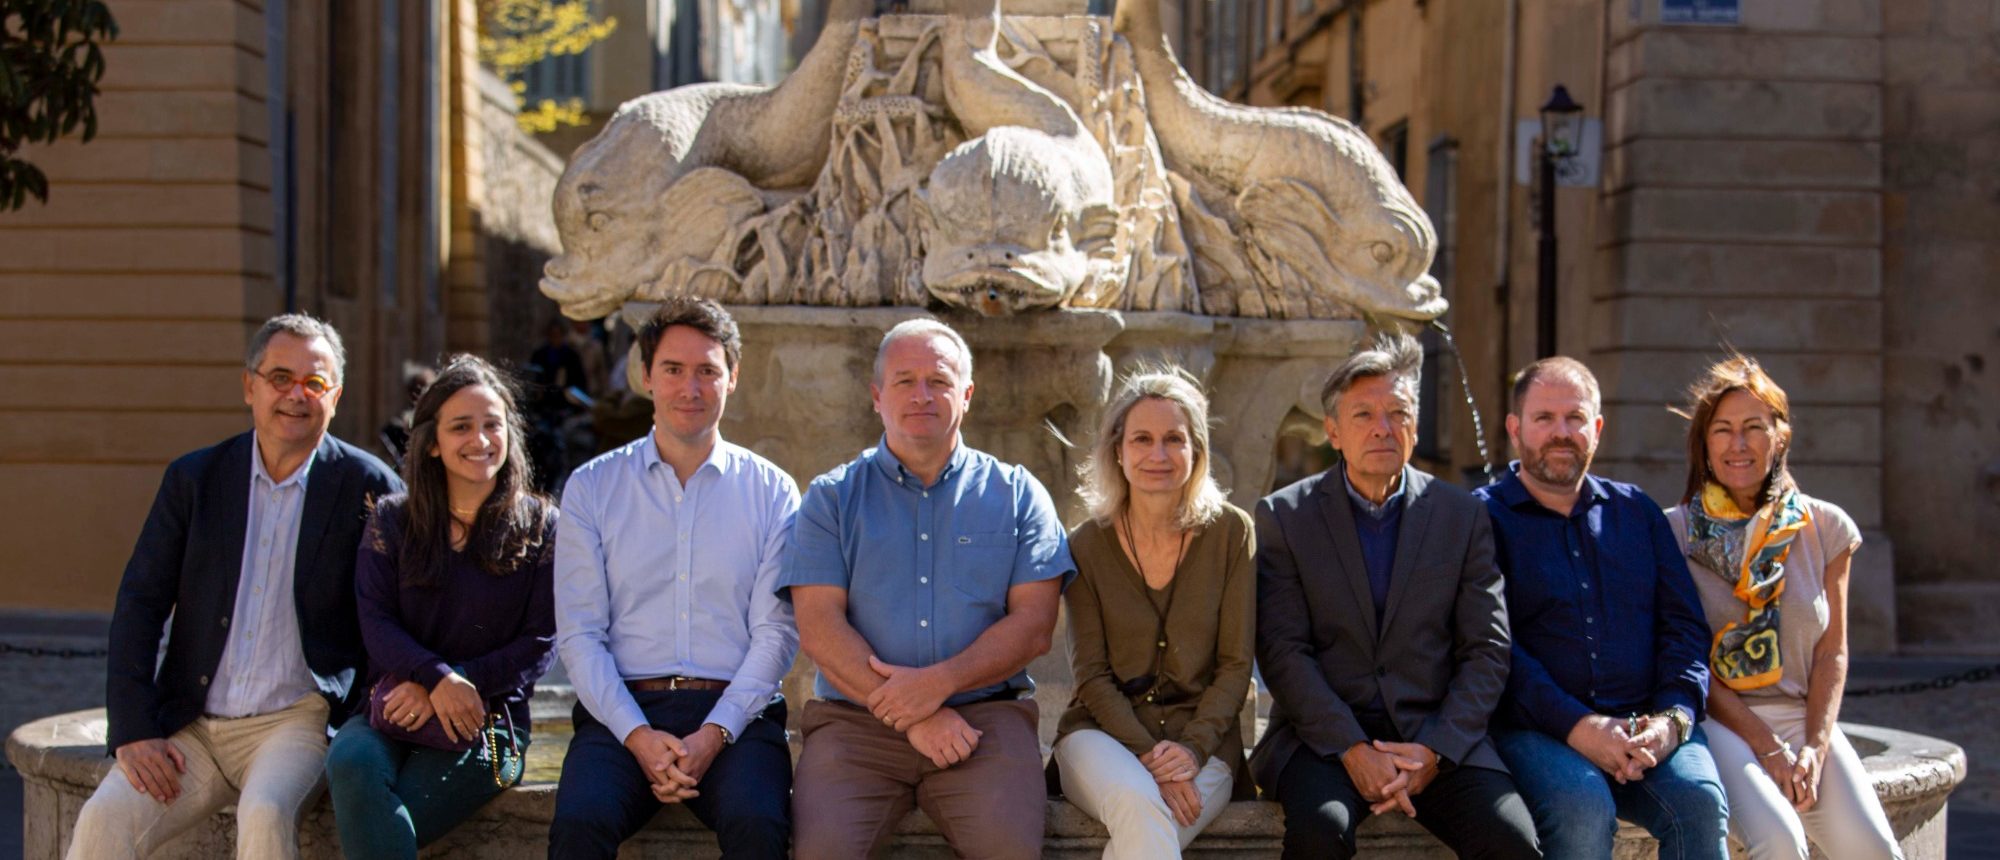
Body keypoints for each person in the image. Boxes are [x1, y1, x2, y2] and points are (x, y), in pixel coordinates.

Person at [72, 314, 402, 859]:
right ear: (250, 385)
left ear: (335, 396)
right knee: (104, 818)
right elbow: (141, 602)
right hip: (192, 726)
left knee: (266, 813)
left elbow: (390, 612)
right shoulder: (194, 479)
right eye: (280, 378)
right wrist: (132, 728)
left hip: (295, 724)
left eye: (314, 382)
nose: (296, 395)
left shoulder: (371, 488)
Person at [780, 318, 1075, 860]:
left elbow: (1035, 626)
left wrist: (939, 684)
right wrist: (916, 712)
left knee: (1009, 851)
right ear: (877, 396)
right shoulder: (831, 498)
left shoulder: (1018, 494)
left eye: (938, 381)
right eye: (904, 381)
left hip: (984, 724)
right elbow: (819, 627)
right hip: (855, 726)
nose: (922, 395)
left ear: (967, 394)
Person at [1252, 334, 1539, 860]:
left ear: (1415, 427)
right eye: (1363, 415)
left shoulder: (1462, 515)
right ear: (1333, 431)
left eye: (1398, 413)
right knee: (1319, 833)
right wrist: (1352, 748)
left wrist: (1436, 749)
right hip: (1324, 740)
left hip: (1436, 738)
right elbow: (1282, 650)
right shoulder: (1285, 516)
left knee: (1511, 840)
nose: (1383, 428)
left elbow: (1487, 649)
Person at [546, 297, 800, 860]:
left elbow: (777, 634)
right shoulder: (592, 488)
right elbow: (581, 634)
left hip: (737, 716)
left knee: (759, 824)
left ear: (733, 377)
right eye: (673, 369)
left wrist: (714, 733)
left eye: (708, 370)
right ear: (645, 376)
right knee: (579, 825)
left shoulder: (773, 491)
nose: (691, 387)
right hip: (621, 712)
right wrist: (637, 736)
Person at [1474, 357, 1729, 860]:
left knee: (1699, 801)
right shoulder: (1479, 519)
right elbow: (1491, 648)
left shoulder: (1637, 513)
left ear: (1597, 428)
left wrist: (1671, 721)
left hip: (1646, 724)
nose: (1561, 432)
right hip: (1534, 730)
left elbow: (1684, 630)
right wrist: (1581, 728)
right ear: (1514, 428)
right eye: (1544, 418)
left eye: (1575, 418)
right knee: (1582, 807)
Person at [1666, 357, 1903, 859]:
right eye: (1723, 430)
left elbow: (1831, 652)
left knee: (1877, 850)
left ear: (1780, 437)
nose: (1738, 444)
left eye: (1754, 427)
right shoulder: (1673, 532)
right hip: (1716, 721)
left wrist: (1815, 746)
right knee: (1779, 841)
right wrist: (1767, 745)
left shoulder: (1826, 527)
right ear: (1704, 444)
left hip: (1800, 716)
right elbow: (1686, 660)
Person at [323, 355, 558, 858]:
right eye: (461, 427)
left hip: (493, 730)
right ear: (432, 442)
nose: (481, 439)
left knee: (390, 816)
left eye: (493, 425)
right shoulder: (392, 520)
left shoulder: (542, 528)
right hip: (391, 711)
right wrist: (436, 679)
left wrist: (454, 684)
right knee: (350, 763)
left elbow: (540, 643)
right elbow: (375, 621)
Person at [1052, 368, 1254, 860]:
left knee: (1145, 821)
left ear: (1197, 451)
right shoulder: (1086, 545)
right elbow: (1092, 676)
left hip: (1205, 746)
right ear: (1118, 452)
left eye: (1174, 439)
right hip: (1100, 738)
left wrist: (1190, 751)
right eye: (1142, 439)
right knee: (1137, 799)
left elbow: (1235, 666)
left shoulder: (1232, 533)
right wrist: (1148, 755)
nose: (1158, 455)